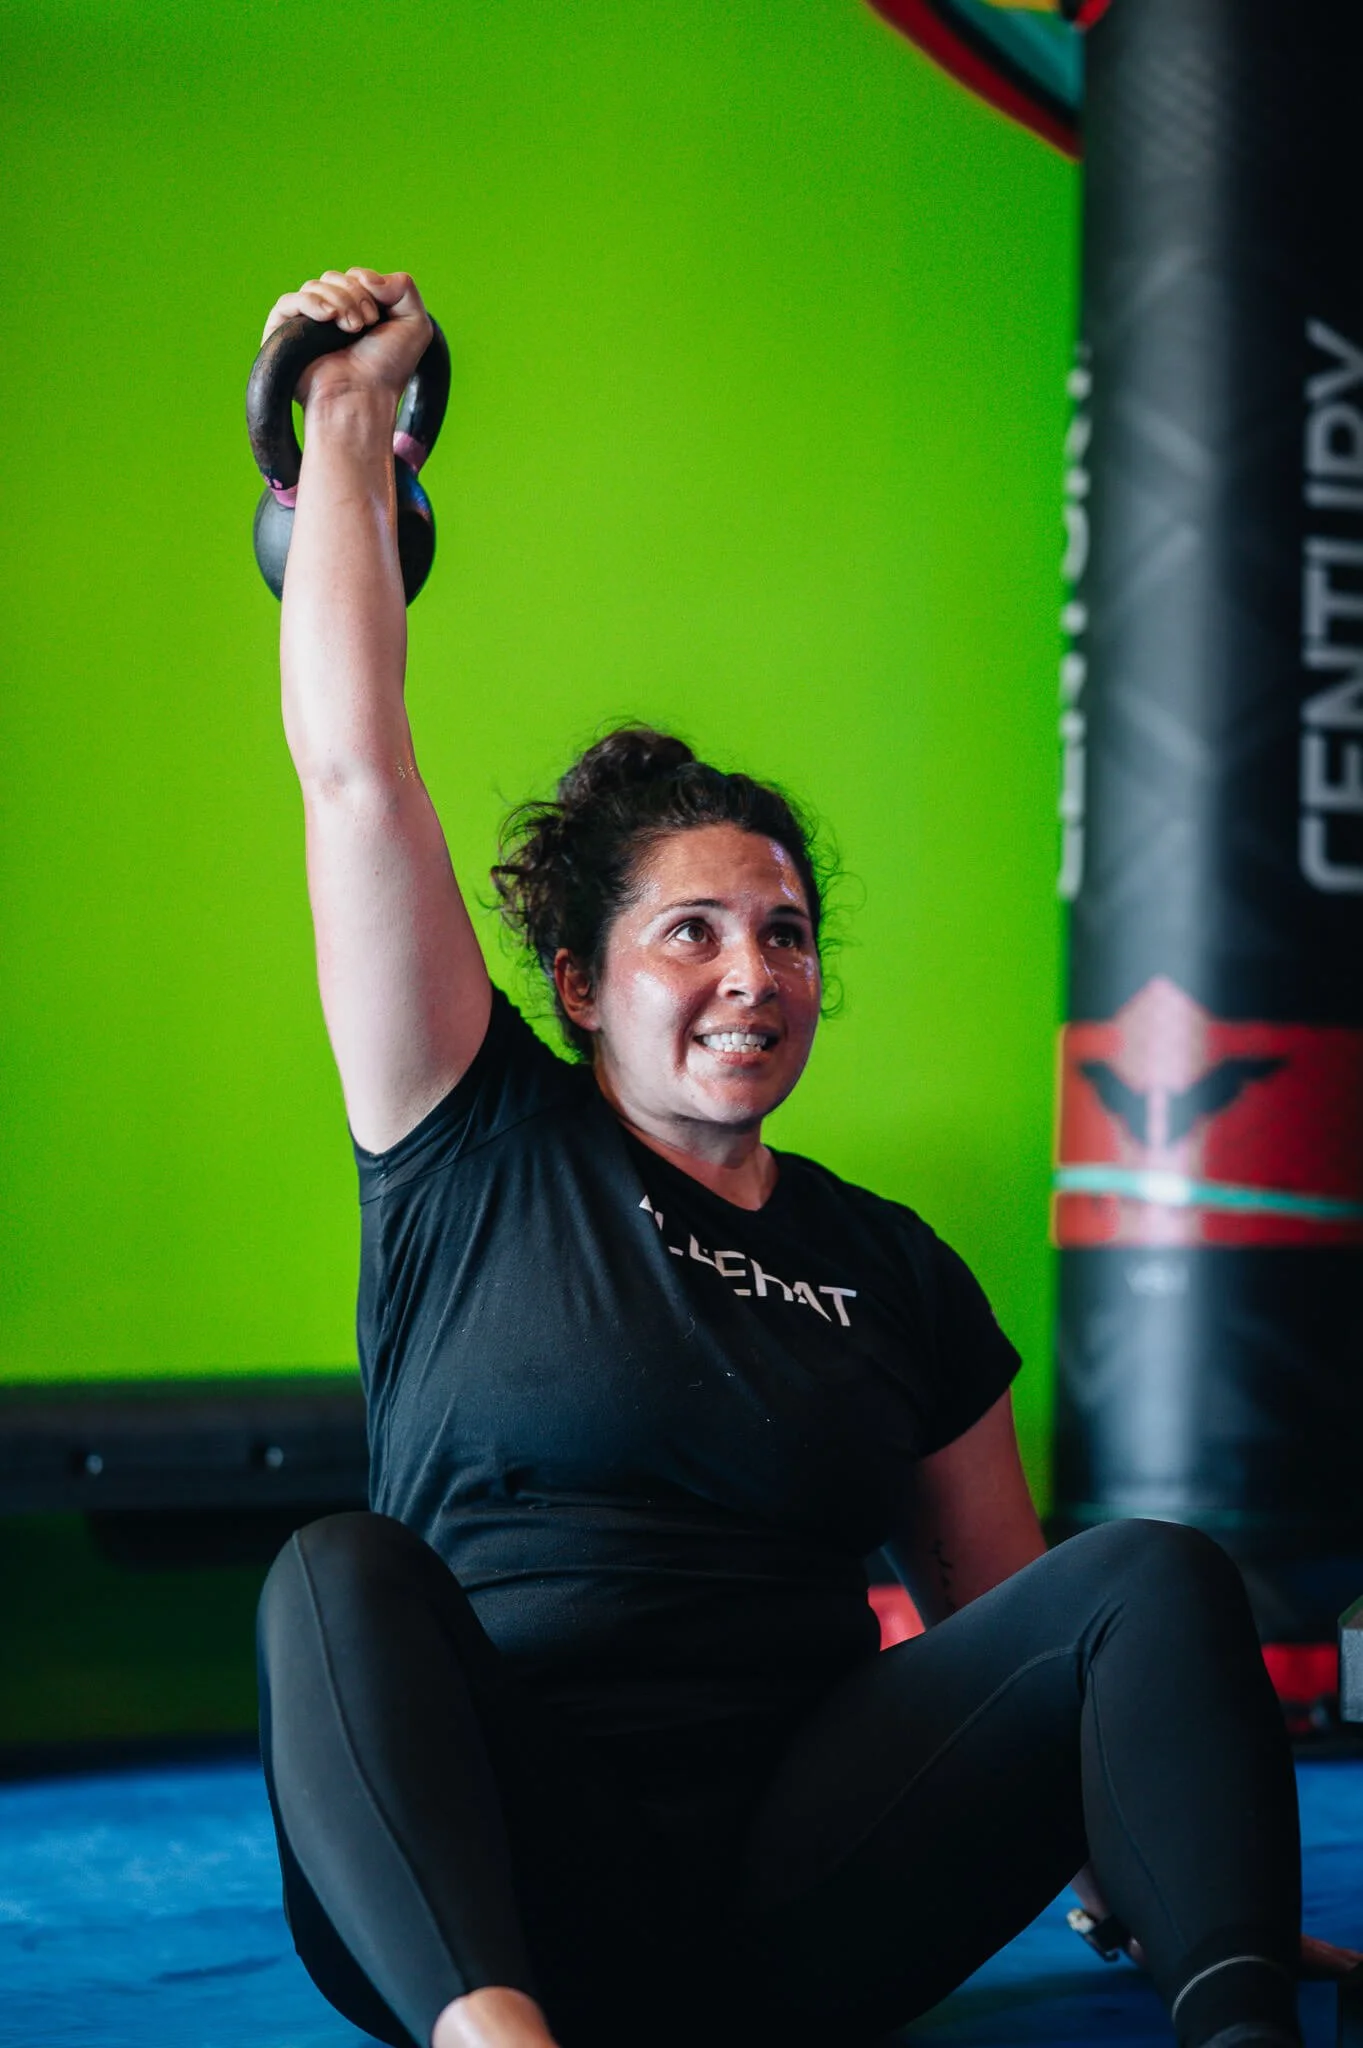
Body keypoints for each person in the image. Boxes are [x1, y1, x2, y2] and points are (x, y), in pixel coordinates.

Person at [255, 267, 1306, 2048]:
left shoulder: (888, 1262)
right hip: (496, 1884)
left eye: (787, 932)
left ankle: (1243, 2023)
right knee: (332, 1574)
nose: (753, 973)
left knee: (1150, 1571)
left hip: (804, 1894)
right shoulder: (470, 1138)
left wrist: (1171, 1896)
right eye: (691, 934)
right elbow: (356, 776)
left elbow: (1020, 1616)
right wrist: (348, 431)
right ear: (577, 981)